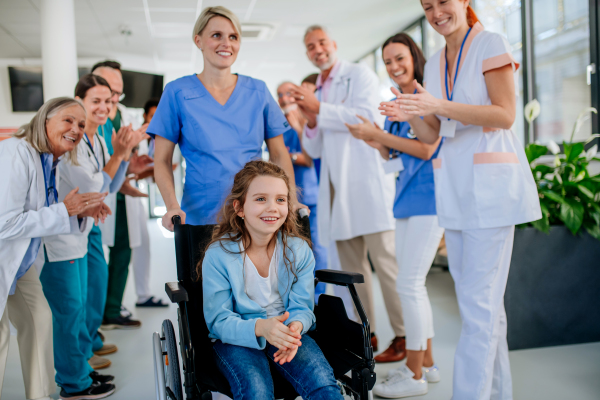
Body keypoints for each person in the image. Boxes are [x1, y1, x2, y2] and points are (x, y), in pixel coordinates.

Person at [380, 1, 541, 398]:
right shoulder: (434, 63)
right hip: (454, 191)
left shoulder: (490, 43)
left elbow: (504, 115)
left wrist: (436, 104)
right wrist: (410, 111)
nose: (436, 12)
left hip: (491, 192)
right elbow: (433, 133)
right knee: (486, 311)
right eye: (427, 6)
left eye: (443, 2)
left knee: (478, 311)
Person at [291, 25, 406, 361]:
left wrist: (319, 108)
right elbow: (313, 146)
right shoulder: (319, 88)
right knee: (352, 271)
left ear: (334, 45)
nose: (317, 49)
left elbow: (365, 118)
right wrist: (311, 118)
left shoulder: (359, 74)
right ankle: (365, 335)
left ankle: (403, 337)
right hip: (336, 190)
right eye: (310, 46)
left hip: (366, 184)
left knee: (387, 264)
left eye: (322, 42)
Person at [347, 33, 443, 397]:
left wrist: (383, 133)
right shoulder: (395, 103)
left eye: (399, 58)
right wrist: (372, 138)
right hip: (403, 202)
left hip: (430, 203)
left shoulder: (424, 98)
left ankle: (414, 373)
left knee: (409, 286)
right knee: (412, 285)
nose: (394, 66)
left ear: (414, 58)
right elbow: (392, 156)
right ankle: (429, 366)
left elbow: (428, 148)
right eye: (388, 61)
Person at [149, 6, 300, 233]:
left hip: (255, 216)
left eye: (233, 37)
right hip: (201, 217)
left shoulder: (258, 91)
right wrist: (171, 206)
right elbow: (161, 160)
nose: (226, 43)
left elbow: (279, 154)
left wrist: (291, 200)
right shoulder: (177, 92)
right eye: (216, 35)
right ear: (198, 40)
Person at [202, 160, 343, 400]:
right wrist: (260, 327)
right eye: (260, 199)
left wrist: (296, 327)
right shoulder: (219, 255)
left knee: (324, 386)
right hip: (238, 336)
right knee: (256, 392)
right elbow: (219, 321)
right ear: (240, 208)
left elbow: (303, 308)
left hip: (286, 332)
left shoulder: (298, 250)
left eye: (280, 199)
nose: (272, 208)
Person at [0, 97, 109, 400]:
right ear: (45, 120)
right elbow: (5, 224)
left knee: (40, 321)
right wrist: (64, 211)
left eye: (81, 125)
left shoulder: (48, 159)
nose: (76, 129)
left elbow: (39, 210)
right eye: (68, 121)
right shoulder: (16, 153)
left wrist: (76, 212)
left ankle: (42, 394)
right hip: (5, 255)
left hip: (19, 263)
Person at [91, 61, 148, 329]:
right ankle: (99, 315)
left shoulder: (123, 115)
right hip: (95, 197)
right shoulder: (89, 119)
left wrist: (131, 165)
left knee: (123, 252)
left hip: (117, 194)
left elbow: (123, 157)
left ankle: (111, 309)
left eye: (118, 93)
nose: (113, 99)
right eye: (108, 90)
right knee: (94, 265)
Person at [276, 82, 327, 300]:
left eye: (288, 93)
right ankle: (299, 295)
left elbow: (311, 157)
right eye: (279, 95)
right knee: (294, 247)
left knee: (316, 245)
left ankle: (319, 296)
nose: (284, 98)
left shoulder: (307, 122)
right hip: (289, 197)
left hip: (311, 194)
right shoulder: (280, 127)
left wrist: (290, 157)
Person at [131, 98, 169, 307]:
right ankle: (140, 295)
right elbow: (129, 172)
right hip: (124, 197)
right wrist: (158, 169)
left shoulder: (158, 140)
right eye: (152, 115)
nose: (155, 120)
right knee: (128, 251)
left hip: (139, 198)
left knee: (143, 247)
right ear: (145, 116)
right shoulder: (138, 139)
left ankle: (143, 294)